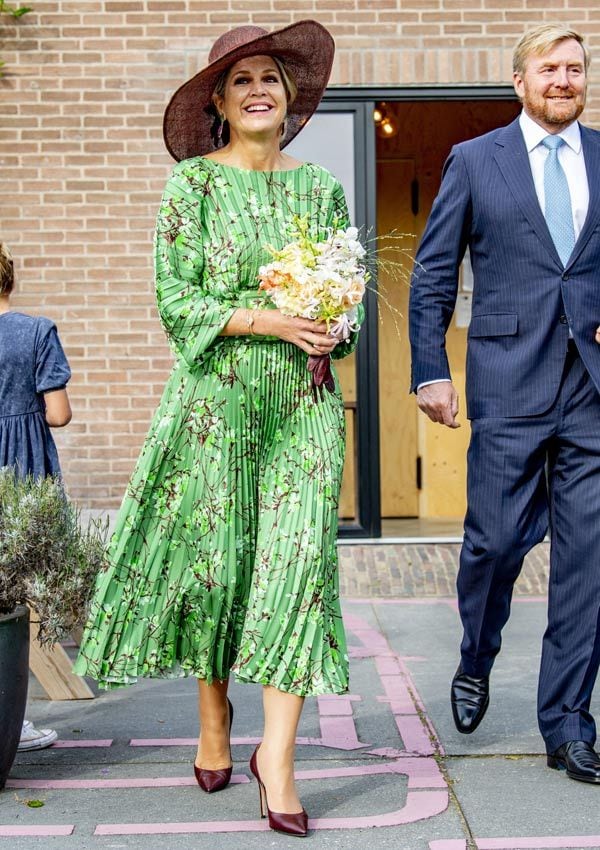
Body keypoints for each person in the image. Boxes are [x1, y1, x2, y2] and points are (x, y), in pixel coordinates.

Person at [74, 21, 361, 834]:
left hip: (304, 409)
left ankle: (279, 758)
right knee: (219, 567)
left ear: (290, 93)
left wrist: (337, 324)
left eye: (270, 76)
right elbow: (177, 301)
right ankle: (212, 718)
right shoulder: (191, 187)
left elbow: (348, 299)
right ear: (219, 102)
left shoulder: (322, 191)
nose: (259, 89)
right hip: (215, 406)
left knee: (297, 565)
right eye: (241, 81)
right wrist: (271, 320)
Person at [409, 23, 600, 784]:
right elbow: (431, 274)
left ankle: (568, 724)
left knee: (587, 563)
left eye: (576, 68)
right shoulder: (474, 160)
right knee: (492, 547)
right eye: (549, 68)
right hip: (507, 382)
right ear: (519, 81)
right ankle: (476, 654)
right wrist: (432, 370)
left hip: (590, 391)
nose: (564, 79)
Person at [0, 243, 72, 752]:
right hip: (23, 468)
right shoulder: (36, 332)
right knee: (16, 595)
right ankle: (11, 722)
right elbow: (60, 413)